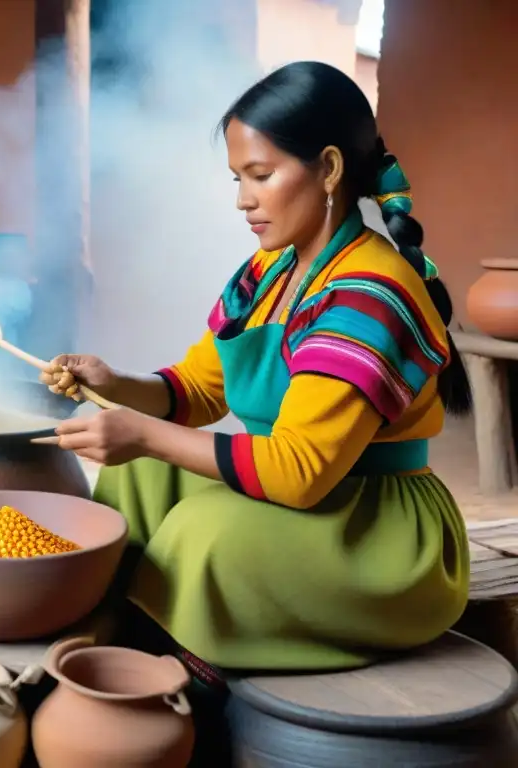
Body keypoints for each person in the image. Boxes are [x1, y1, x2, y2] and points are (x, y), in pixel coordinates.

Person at [43, 61, 470, 692]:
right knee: (140, 471)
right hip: (306, 496)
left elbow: (299, 473)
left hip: (375, 529)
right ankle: (118, 633)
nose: (243, 199)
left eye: (261, 176)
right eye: (238, 178)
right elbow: (196, 391)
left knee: (204, 531)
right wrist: (114, 383)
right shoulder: (268, 273)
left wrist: (141, 431)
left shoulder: (369, 292)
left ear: (327, 169)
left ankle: (181, 674)